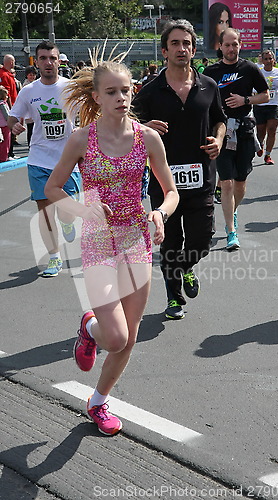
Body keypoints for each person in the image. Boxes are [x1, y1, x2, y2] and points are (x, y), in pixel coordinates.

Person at [44, 60, 179, 435]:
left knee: (129, 337)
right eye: (112, 92)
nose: (121, 97)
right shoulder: (80, 139)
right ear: (96, 97)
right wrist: (83, 208)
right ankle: (90, 326)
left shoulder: (148, 139)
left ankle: (99, 401)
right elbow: (53, 190)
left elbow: (170, 192)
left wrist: (160, 215)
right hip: (99, 244)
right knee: (115, 335)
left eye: (126, 90)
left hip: (137, 240)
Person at [132, 19, 226, 320]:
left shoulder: (208, 86)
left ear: (194, 49)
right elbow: (124, 128)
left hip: (201, 178)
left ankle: (185, 268)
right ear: (164, 51)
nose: (181, 49)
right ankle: (174, 299)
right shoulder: (149, 92)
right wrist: (143, 127)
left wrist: (219, 140)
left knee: (201, 240)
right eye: (175, 43)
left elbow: (220, 120)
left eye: (186, 43)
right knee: (170, 244)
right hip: (163, 183)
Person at [7, 41, 81, 277]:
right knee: (44, 210)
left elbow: (89, 115)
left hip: (67, 160)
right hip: (38, 159)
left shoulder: (71, 88)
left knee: (67, 210)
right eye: (43, 58)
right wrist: (15, 126)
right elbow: (13, 116)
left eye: (53, 58)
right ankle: (54, 257)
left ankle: (68, 222)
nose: (48, 63)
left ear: (59, 61)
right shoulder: (29, 91)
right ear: (36, 62)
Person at [204, 28, 269, 251]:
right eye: (227, 45)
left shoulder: (249, 68)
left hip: (245, 131)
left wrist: (246, 100)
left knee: (240, 182)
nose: (231, 49)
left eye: (235, 45)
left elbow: (266, 94)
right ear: (220, 47)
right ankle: (231, 231)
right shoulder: (211, 72)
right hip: (222, 132)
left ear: (240, 45)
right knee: (228, 181)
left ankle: (233, 209)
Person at [253, 50, 278, 166]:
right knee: (261, 131)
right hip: (260, 105)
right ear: (262, 60)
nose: (268, 61)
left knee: (272, 130)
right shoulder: (258, 72)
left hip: (273, 105)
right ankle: (260, 144)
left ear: (273, 60)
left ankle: (268, 155)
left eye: (270, 59)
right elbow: (252, 89)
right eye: (266, 59)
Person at [22, 65, 38, 146]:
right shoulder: (26, 85)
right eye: (30, 75)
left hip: (36, 109)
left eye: (33, 75)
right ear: (27, 75)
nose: (32, 76)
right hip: (29, 110)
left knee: (36, 129)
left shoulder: (36, 83)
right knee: (30, 129)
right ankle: (30, 145)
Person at [0, 86, 11, 162]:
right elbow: (7, 115)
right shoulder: (3, 104)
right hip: (5, 125)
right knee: (6, 142)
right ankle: (4, 157)